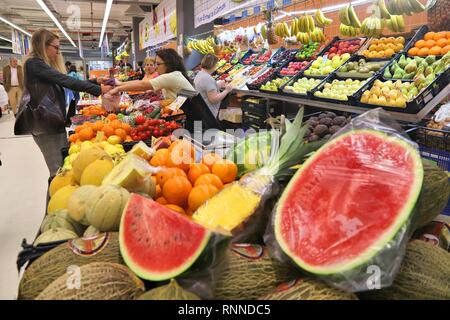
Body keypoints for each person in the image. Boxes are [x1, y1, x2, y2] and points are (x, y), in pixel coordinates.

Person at [18, 28, 111, 176]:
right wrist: (99, 89)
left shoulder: (40, 66)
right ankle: (54, 198)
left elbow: (62, 82)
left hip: (51, 122)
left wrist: (95, 81)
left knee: (61, 166)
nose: (57, 52)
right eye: (55, 47)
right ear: (43, 45)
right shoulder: (34, 63)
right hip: (45, 125)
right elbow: (65, 80)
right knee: (58, 172)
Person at [108, 48, 194, 99]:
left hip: (197, 117)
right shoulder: (173, 75)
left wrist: (118, 88)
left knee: (197, 129)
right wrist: (120, 84)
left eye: (158, 64)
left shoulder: (171, 76)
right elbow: (140, 82)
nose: (156, 67)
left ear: (168, 64)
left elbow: (142, 85)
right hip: (189, 114)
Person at [194, 54, 234, 118]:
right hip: (208, 115)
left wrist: (224, 81)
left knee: (198, 127)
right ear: (213, 65)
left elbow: (208, 88)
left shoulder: (200, 74)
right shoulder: (207, 78)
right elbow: (214, 99)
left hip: (200, 112)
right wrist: (227, 90)